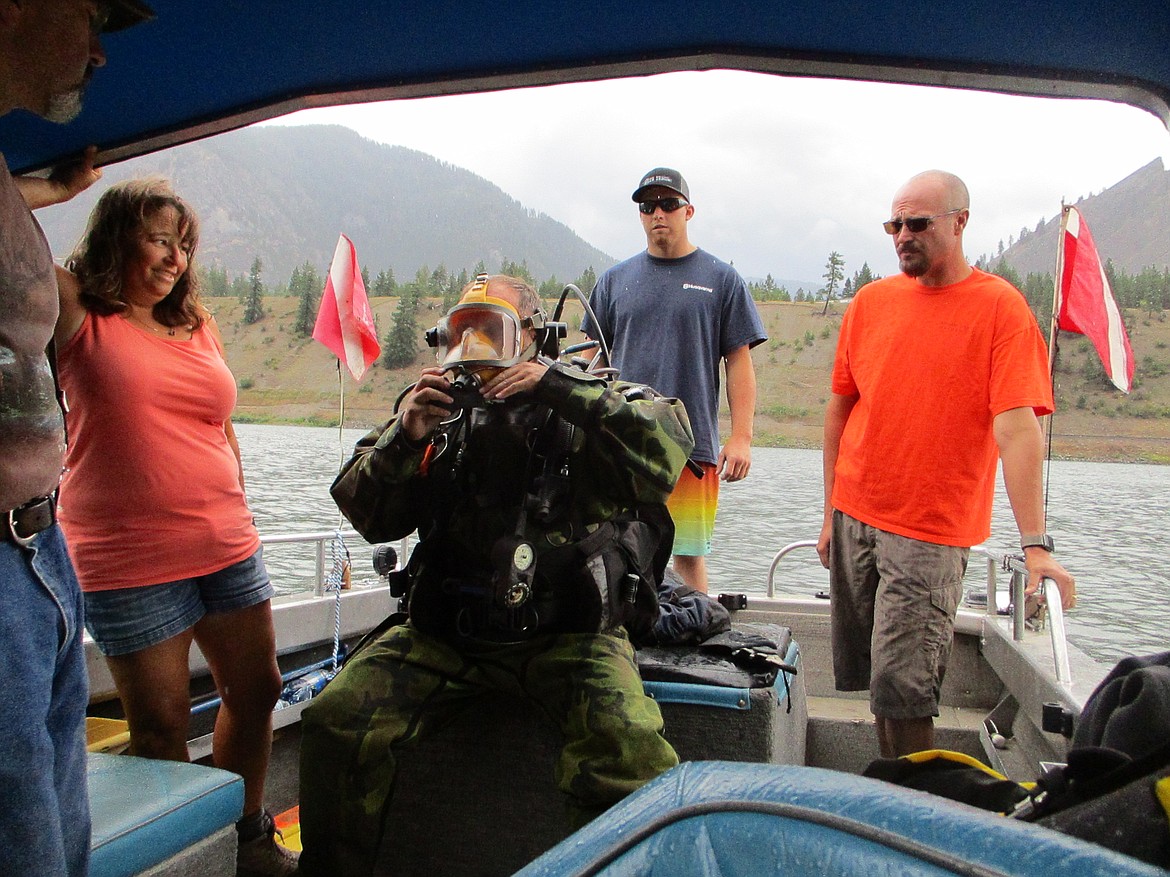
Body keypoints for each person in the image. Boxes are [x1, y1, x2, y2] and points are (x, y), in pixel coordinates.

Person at [298, 273, 694, 876]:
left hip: (572, 639)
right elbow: (366, 513)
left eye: (493, 330)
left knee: (630, 755)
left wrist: (558, 387)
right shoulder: (437, 414)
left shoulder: (584, 401)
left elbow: (670, 444)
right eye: (463, 331)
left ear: (532, 336)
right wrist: (405, 438)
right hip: (447, 637)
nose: (476, 348)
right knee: (336, 719)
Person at [50, 177, 297, 877]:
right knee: (160, 728)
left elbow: (222, 430)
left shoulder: (197, 323)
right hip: (128, 561)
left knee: (258, 692)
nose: (174, 259)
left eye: (183, 245)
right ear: (115, 236)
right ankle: (190, 862)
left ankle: (247, 839)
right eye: (159, 239)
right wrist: (49, 184)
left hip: (226, 545)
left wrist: (241, 509)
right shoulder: (77, 311)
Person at [816, 169, 1077, 759]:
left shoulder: (1000, 310)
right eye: (894, 224)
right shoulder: (871, 303)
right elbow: (838, 413)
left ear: (960, 223)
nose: (903, 235)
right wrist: (830, 513)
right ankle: (895, 785)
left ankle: (913, 809)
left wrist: (1035, 544)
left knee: (905, 689)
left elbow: (1017, 430)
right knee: (876, 684)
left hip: (930, 534)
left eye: (918, 224)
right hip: (855, 515)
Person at [0, 3, 153, 876]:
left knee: (60, 842)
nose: (100, 50)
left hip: (41, 556)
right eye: (92, 13)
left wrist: (46, 192)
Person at [584, 167, 767, 593]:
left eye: (668, 204)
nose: (658, 214)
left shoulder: (721, 280)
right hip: (619, 447)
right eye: (648, 206)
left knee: (686, 556)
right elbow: (591, 364)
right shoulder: (613, 282)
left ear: (689, 210)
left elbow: (738, 362)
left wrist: (742, 437)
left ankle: (693, 642)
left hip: (689, 448)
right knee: (610, 550)